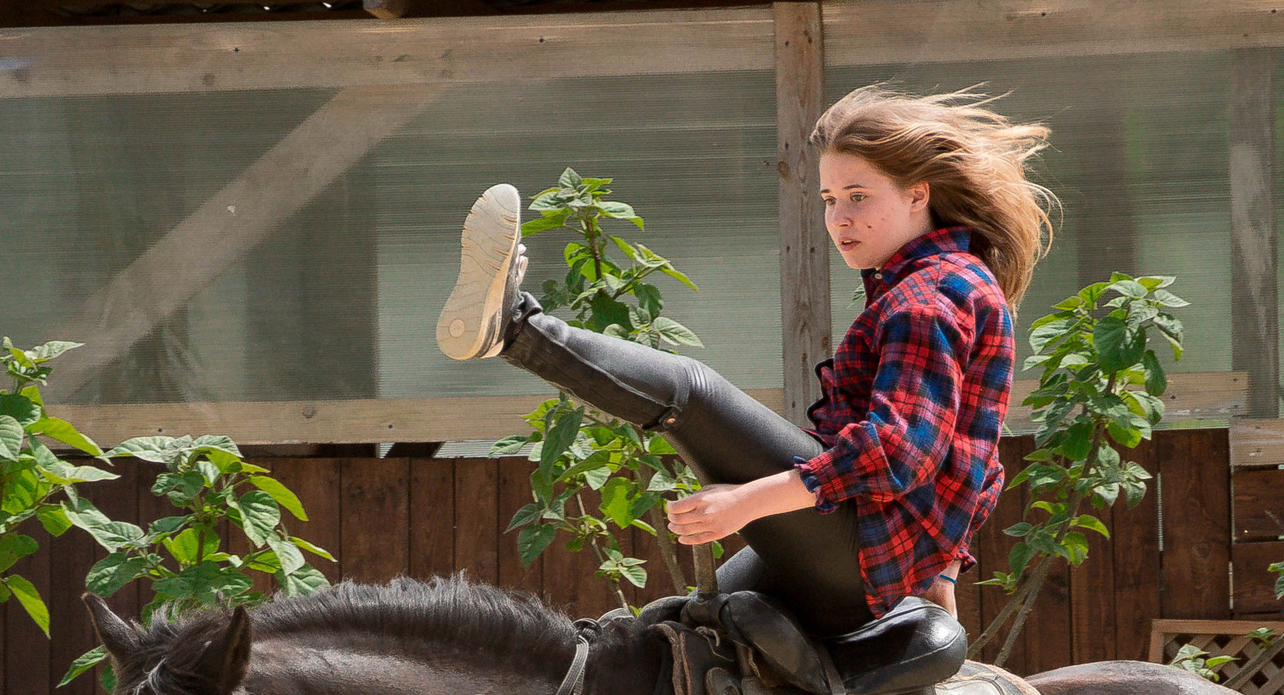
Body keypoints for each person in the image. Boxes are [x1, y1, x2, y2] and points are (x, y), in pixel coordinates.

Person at [436, 86, 1049, 635]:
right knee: (668, 633)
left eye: (859, 197)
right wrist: (938, 567)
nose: (840, 219)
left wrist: (747, 502)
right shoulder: (949, 282)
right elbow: (970, 457)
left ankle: (514, 330)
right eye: (830, 199)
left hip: (862, 548)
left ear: (919, 195)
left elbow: (899, 451)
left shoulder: (928, 298)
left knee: (692, 393)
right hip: (875, 555)